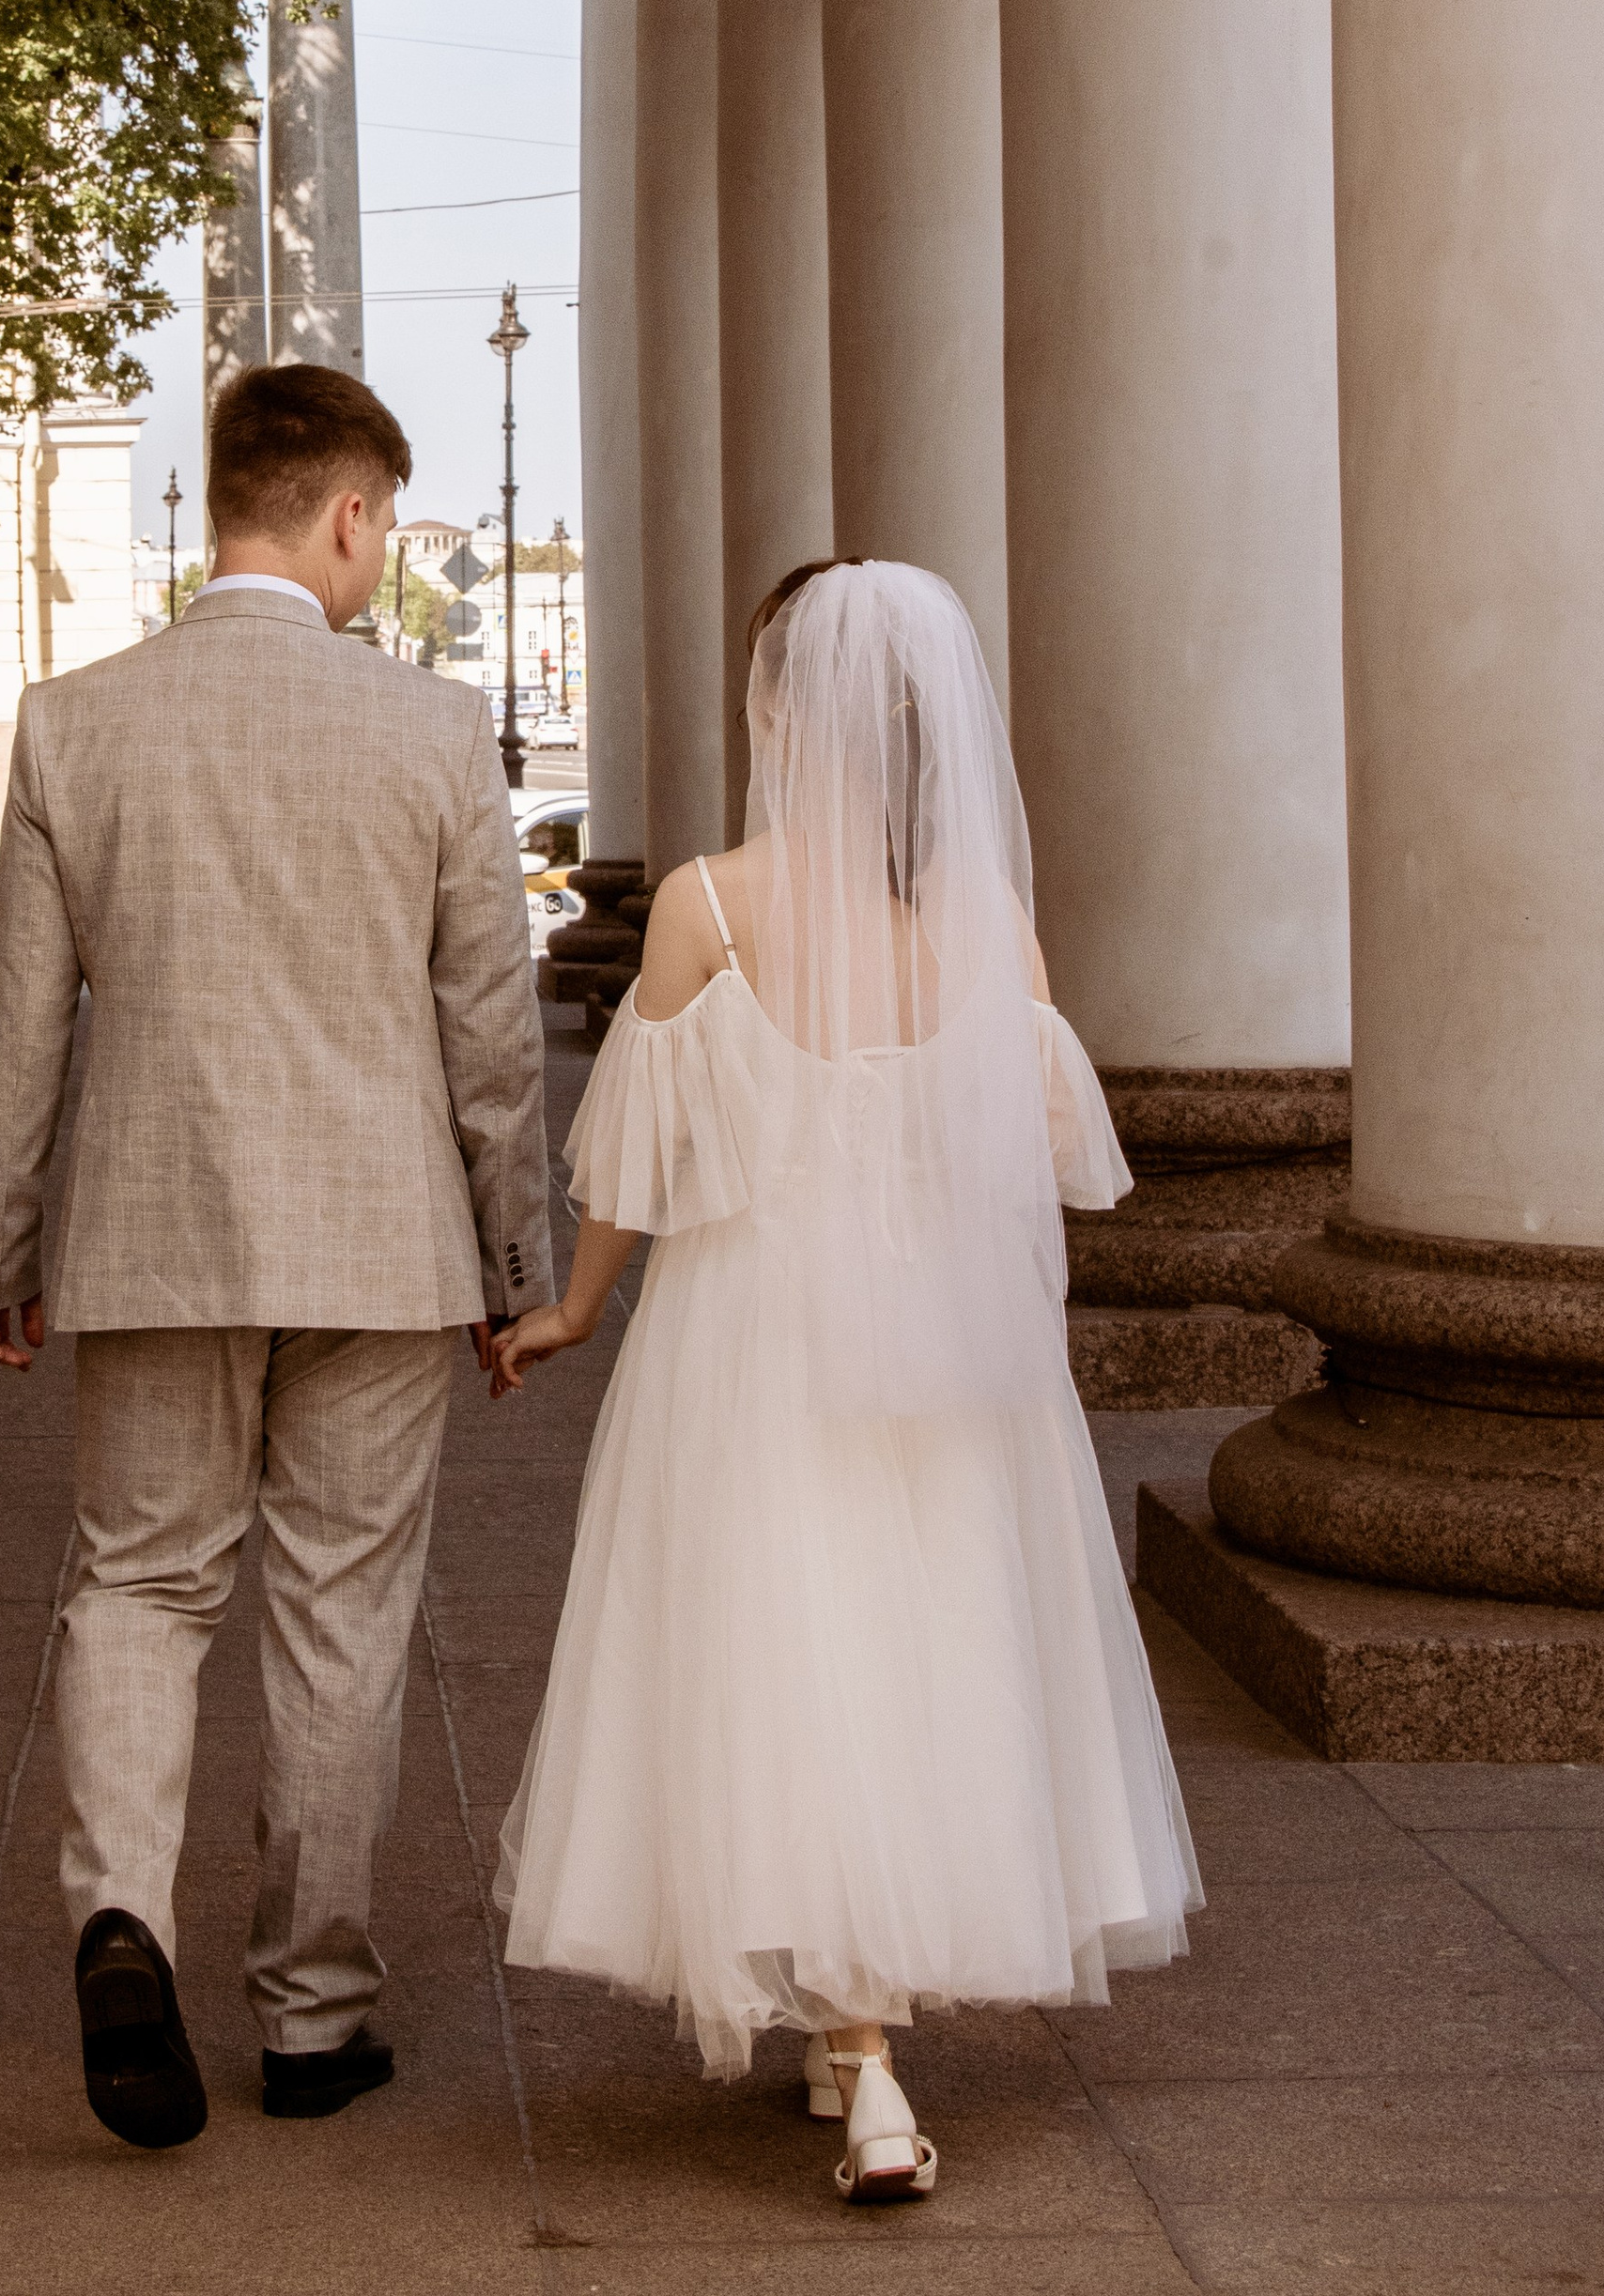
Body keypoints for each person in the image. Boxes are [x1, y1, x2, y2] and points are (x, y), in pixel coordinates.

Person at [490, 559, 1200, 2208]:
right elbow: (1034, 1169)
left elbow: (644, 1170)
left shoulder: (706, 906)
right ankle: (848, 2022)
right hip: (946, 1350)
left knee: (784, 1648)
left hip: (752, 1329)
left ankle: (867, 2060)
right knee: (916, 1646)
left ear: (771, 708)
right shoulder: (987, 926)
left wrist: (576, 1312)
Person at [0, 361, 552, 2151]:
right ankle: (314, 2010)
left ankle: (122, 1911)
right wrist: (521, 1267)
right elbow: (491, 1033)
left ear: (221, 497)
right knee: (339, 1608)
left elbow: (20, 1023)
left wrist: (0, 1236)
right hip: (383, 1243)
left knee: (141, 1581)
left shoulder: (73, 722)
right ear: (351, 513)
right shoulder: (436, 731)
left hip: (153, 1228)